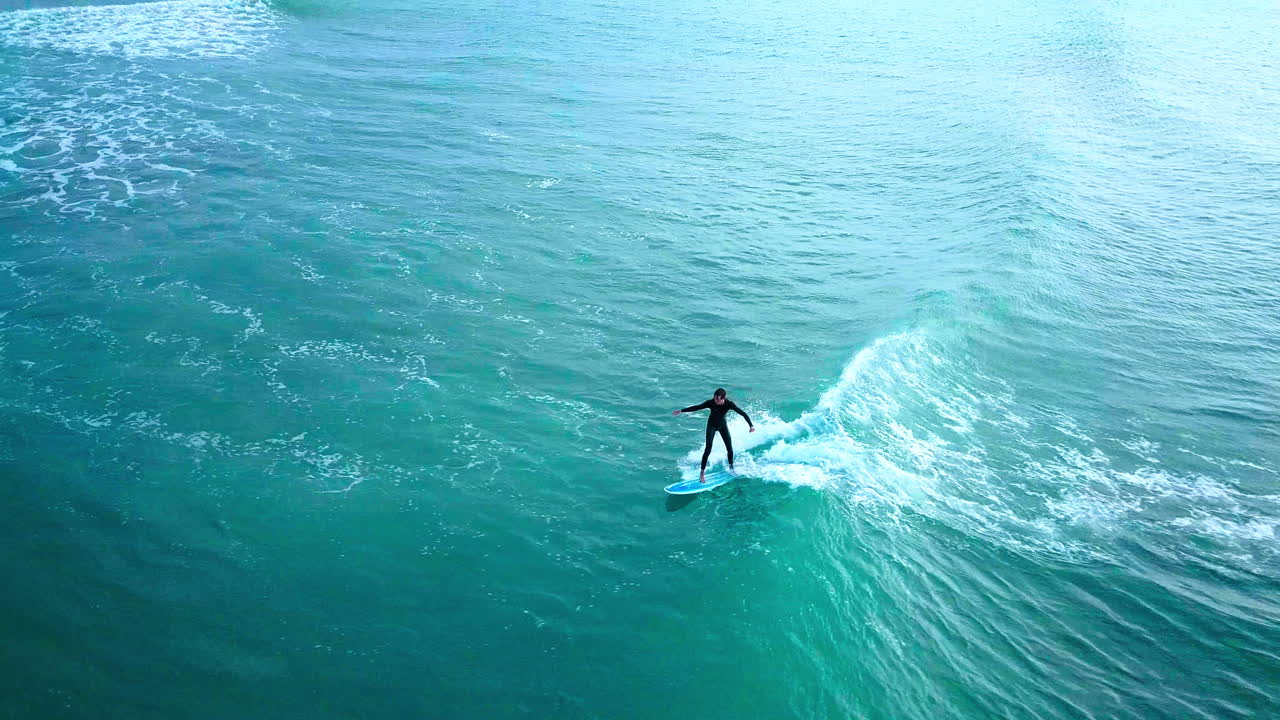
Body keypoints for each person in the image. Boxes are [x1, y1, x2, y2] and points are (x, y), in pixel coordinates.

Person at [672, 387, 754, 482]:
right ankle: (702, 473)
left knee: (729, 448)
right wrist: (682, 410)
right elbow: (697, 407)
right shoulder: (710, 402)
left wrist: (751, 426)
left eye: (718, 399)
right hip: (712, 425)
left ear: (723, 398)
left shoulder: (729, 404)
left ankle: (731, 468)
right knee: (708, 449)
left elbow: (743, 413)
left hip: (722, 425)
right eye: (715, 398)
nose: (715, 401)